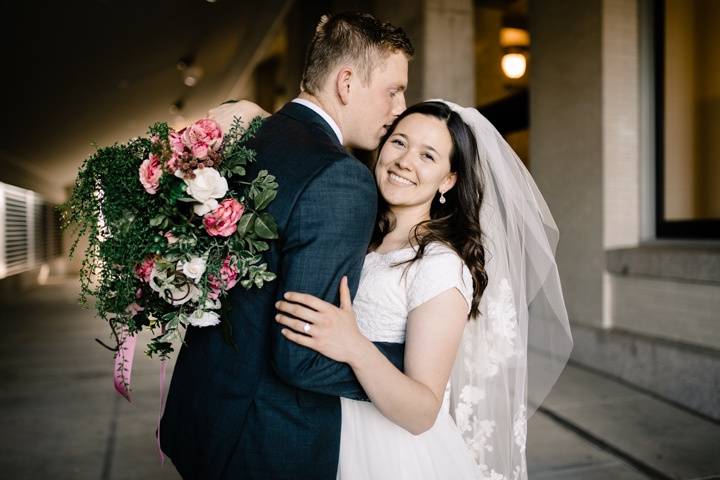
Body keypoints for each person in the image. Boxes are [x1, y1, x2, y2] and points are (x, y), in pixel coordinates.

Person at [159, 12, 415, 480]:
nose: (400, 106)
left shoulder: (242, 136)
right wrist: (410, 368)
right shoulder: (342, 179)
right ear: (346, 83)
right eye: (393, 90)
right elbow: (302, 357)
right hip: (267, 443)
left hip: (203, 413)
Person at [272, 101, 573, 479]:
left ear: (448, 180)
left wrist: (354, 346)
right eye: (399, 143)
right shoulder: (361, 235)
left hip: (388, 452)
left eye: (427, 155)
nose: (404, 161)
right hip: (323, 428)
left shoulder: (439, 265)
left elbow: (421, 412)